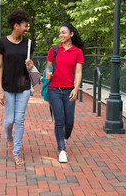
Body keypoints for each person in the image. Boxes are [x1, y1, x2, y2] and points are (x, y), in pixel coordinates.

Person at [0, 9, 34, 166]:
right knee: (9, 121)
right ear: (16, 26)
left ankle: (16, 152)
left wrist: (31, 65)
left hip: (24, 86)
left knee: (19, 119)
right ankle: (9, 138)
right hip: (7, 87)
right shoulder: (2, 43)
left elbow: (30, 66)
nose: (27, 29)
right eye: (25, 26)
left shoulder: (29, 43)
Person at [45, 23, 84, 163]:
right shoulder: (54, 50)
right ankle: (62, 149)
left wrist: (76, 88)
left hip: (69, 90)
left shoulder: (78, 52)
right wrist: (47, 74)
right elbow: (47, 68)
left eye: (64, 32)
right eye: (59, 33)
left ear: (71, 34)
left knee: (70, 122)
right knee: (59, 120)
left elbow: (78, 72)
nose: (61, 35)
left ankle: (64, 138)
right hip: (54, 90)